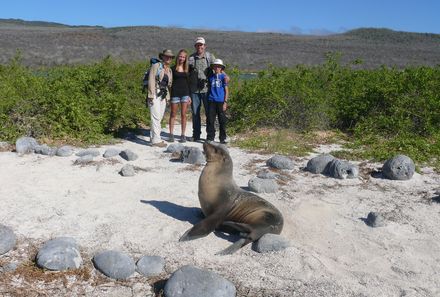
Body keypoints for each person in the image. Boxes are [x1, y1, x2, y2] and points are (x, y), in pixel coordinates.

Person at [188, 37, 215, 142]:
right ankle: (196, 135)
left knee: (209, 113)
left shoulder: (210, 57)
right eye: (198, 45)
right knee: (195, 113)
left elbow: (217, 68)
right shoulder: (191, 58)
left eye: (201, 45)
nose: (199, 47)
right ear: (195, 46)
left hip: (207, 89)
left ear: (205, 46)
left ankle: (209, 136)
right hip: (194, 90)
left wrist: (225, 76)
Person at [147, 49, 174, 147]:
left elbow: (168, 85)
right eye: (166, 56)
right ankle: (156, 141)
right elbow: (151, 80)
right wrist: (150, 95)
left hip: (163, 94)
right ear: (162, 57)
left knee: (159, 117)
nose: (168, 58)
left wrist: (168, 98)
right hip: (155, 93)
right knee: (155, 116)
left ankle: (153, 137)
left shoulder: (169, 70)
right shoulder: (156, 66)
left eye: (170, 57)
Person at [169, 49, 191, 143]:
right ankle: (171, 134)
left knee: (183, 115)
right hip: (175, 94)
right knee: (173, 114)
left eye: (183, 57)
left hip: (185, 94)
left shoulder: (188, 69)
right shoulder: (173, 69)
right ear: (178, 57)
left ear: (186, 58)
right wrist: (169, 95)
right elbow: (170, 82)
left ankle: (183, 135)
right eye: (180, 56)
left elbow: (189, 83)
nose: (182, 58)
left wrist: (189, 96)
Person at [206, 59, 229, 144]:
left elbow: (226, 90)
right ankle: (210, 137)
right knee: (210, 120)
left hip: (221, 101)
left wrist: (225, 102)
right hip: (211, 100)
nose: (217, 68)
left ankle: (222, 138)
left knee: (222, 121)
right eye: (215, 66)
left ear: (221, 68)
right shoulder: (211, 77)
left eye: (219, 66)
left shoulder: (224, 77)